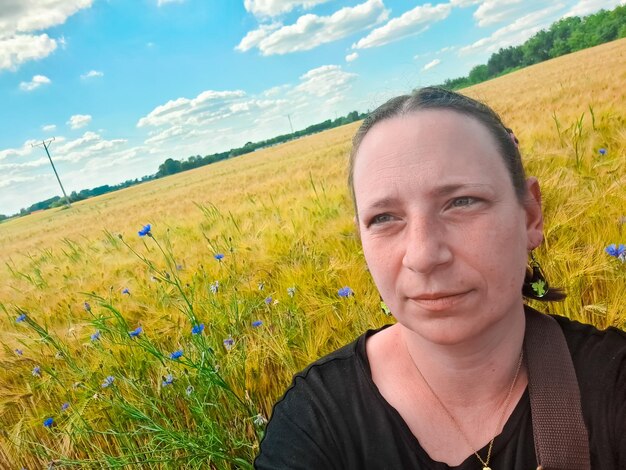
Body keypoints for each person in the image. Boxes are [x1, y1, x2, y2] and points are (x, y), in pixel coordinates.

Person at [254, 87, 626, 469]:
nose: (423, 256)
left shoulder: (613, 385)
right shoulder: (315, 422)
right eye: (384, 218)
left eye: (462, 202)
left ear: (531, 215)